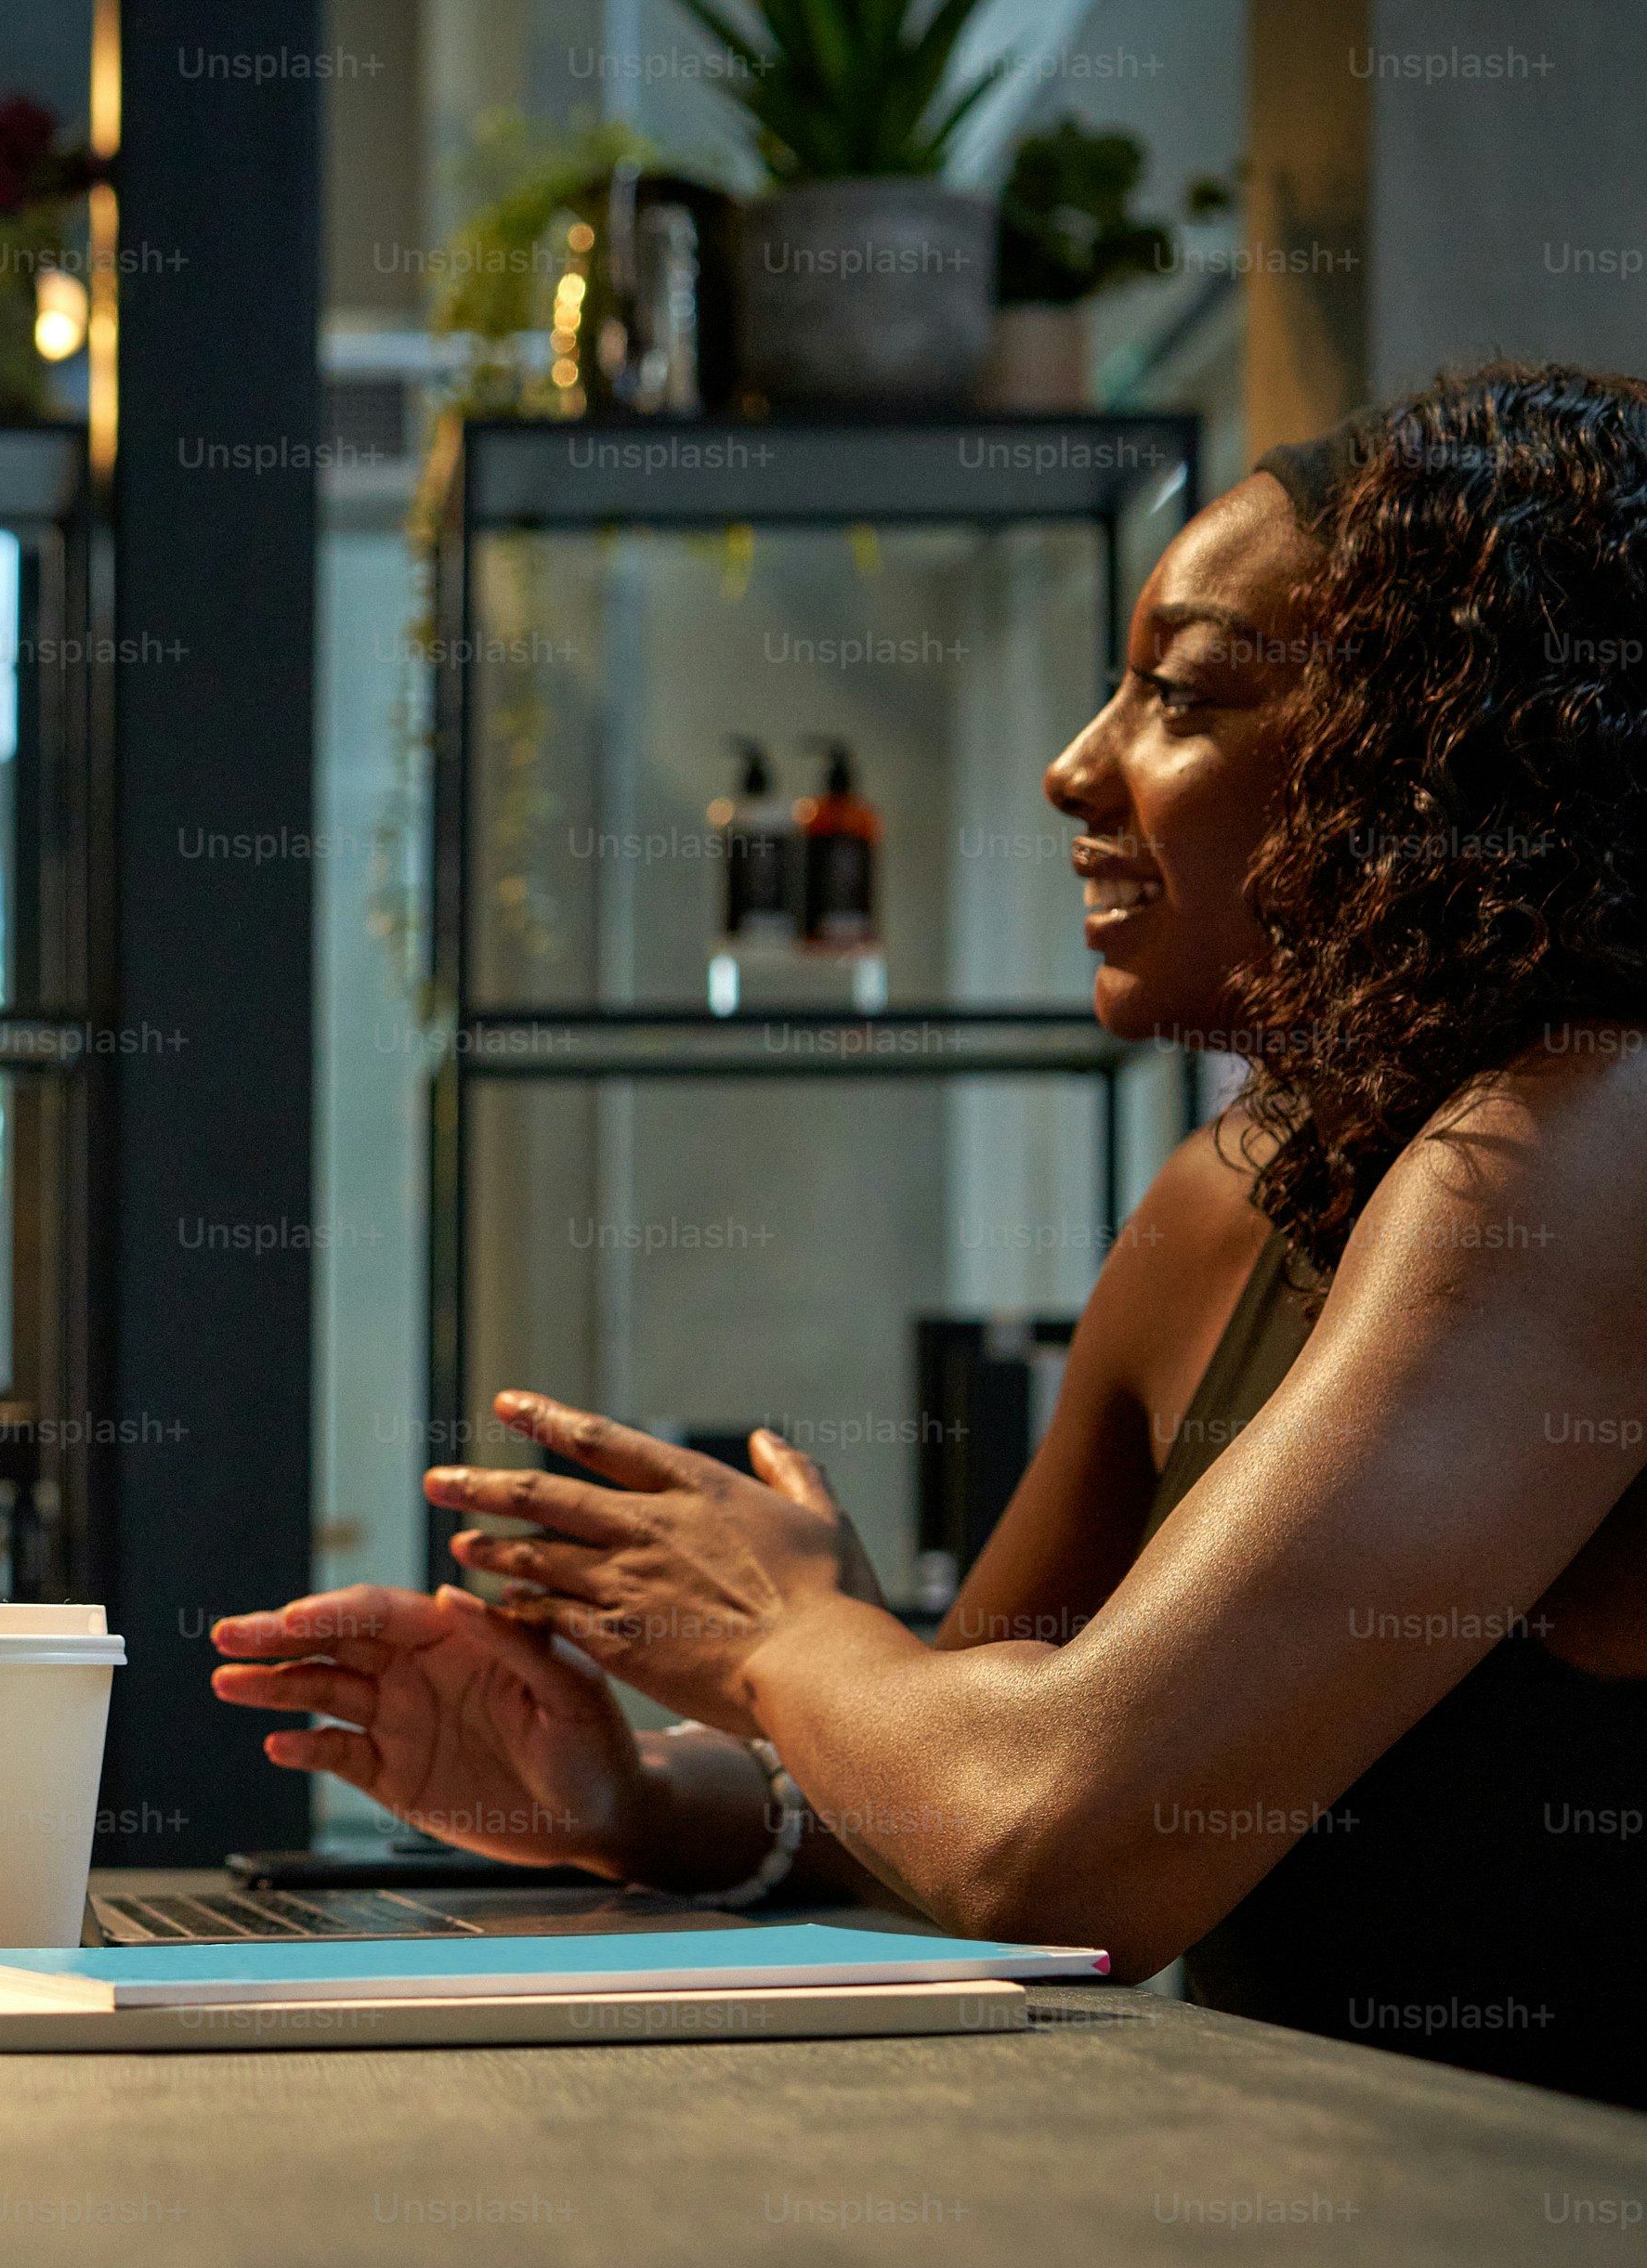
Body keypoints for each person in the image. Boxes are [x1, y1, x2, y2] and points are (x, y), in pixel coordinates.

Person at [216, 362, 1647, 2108]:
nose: (1074, 767)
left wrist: (776, 1632)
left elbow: (1057, 1844)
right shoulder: (1228, 1206)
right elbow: (952, 1772)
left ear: (1437, 761)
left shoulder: (1599, 1131)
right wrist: (639, 1798)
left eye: (1180, 696)